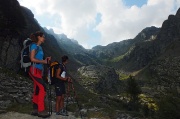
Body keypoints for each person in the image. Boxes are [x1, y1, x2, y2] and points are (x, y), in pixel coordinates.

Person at [28, 31, 51, 118]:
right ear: (39, 37)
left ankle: (35, 110)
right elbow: (32, 59)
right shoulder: (34, 45)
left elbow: (40, 59)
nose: (44, 38)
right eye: (43, 36)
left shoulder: (40, 48)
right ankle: (41, 110)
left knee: (37, 89)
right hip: (33, 70)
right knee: (42, 87)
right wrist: (43, 61)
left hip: (38, 71)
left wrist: (46, 60)